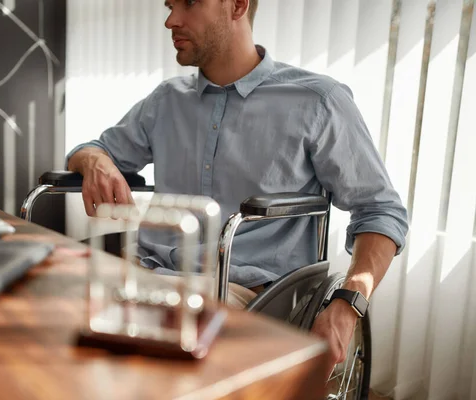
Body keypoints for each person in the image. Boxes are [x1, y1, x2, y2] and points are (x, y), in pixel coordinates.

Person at [66, 0, 408, 376]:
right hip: (143, 270)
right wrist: (95, 161)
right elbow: (93, 149)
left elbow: (380, 211)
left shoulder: (317, 102)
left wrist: (346, 305)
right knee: (36, 308)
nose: (170, 20)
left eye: (189, 4)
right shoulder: (166, 100)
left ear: (238, 6)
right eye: (169, 5)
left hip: (240, 289)